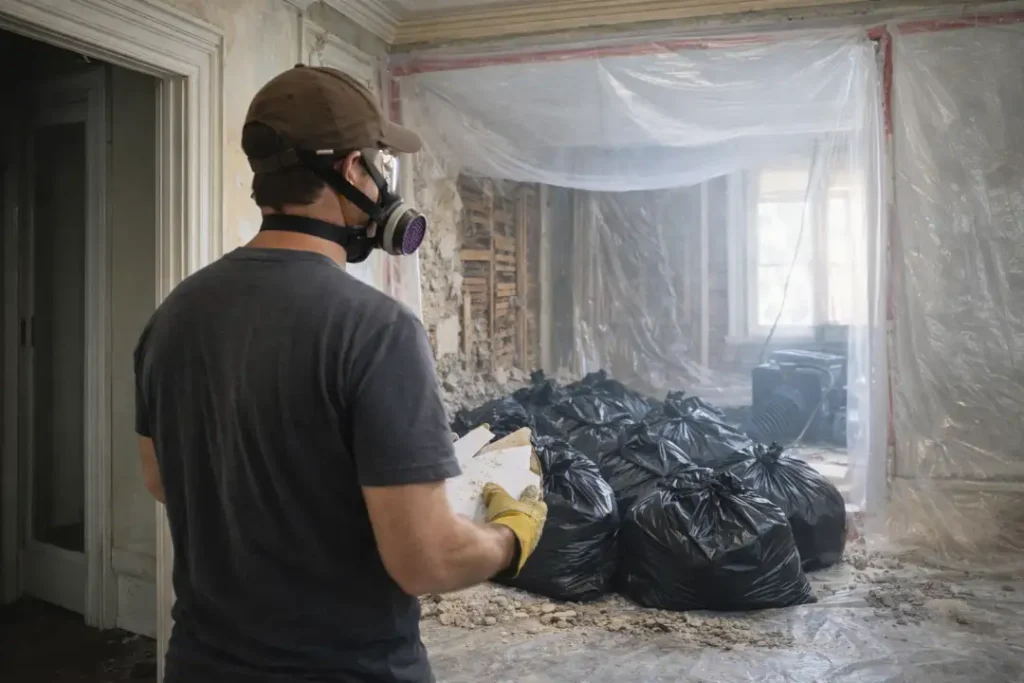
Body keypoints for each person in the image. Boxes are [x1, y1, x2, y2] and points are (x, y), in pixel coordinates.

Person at [134, 65, 547, 683]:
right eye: (381, 165)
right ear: (352, 169)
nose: (385, 184)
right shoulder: (379, 331)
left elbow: (163, 480)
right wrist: (510, 536)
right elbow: (426, 561)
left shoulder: (172, 316)